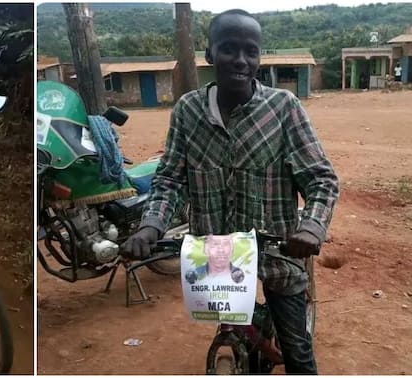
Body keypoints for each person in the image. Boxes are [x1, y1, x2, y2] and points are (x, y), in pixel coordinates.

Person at [122, 9, 339, 374]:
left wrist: (312, 227)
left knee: (298, 356)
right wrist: (150, 226)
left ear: (259, 57)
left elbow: (321, 179)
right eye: (229, 49)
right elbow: (170, 180)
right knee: (232, 332)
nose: (241, 60)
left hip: (278, 252)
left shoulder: (283, 108)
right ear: (209, 54)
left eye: (250, 51)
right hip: (215, 256)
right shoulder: (188, 111)